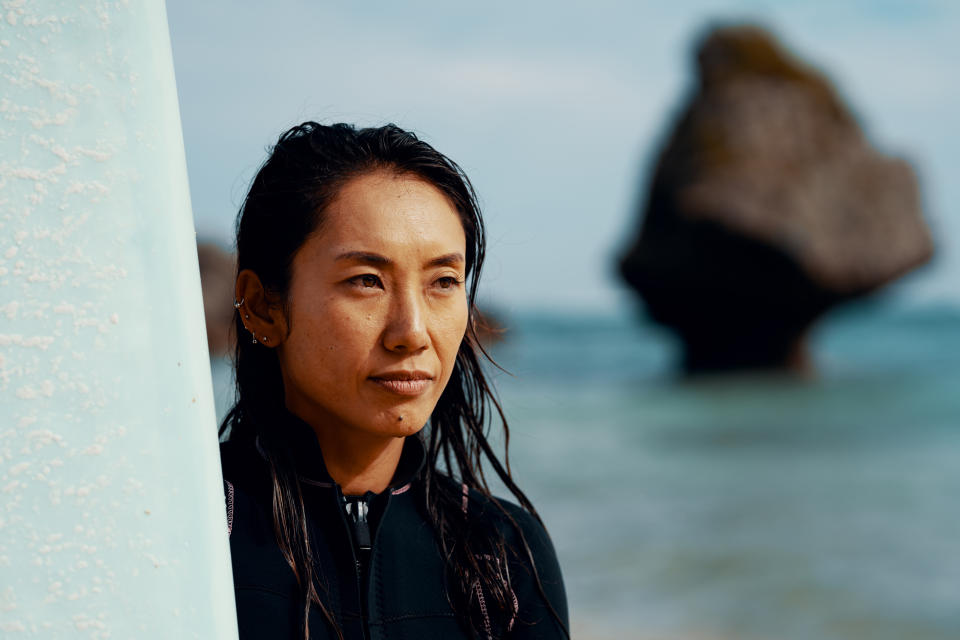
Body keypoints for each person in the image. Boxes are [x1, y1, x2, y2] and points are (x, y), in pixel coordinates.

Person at [219, 122, 569, 640]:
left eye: (443, 282)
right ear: (263, 306)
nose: (412, 332)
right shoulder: (189, 525)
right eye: (366, 280)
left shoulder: (502, 554)